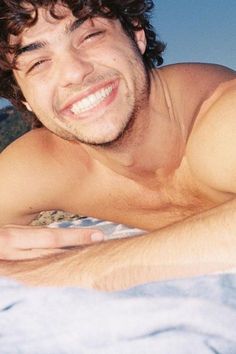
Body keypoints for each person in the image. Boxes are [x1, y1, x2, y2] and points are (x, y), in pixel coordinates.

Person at [0, 0, 235, 291]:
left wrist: (72, 270)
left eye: (90, 36)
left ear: (136, 33)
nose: (74, 73)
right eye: (38, 63)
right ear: (22, 96)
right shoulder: (43, 167)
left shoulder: (222, 116)